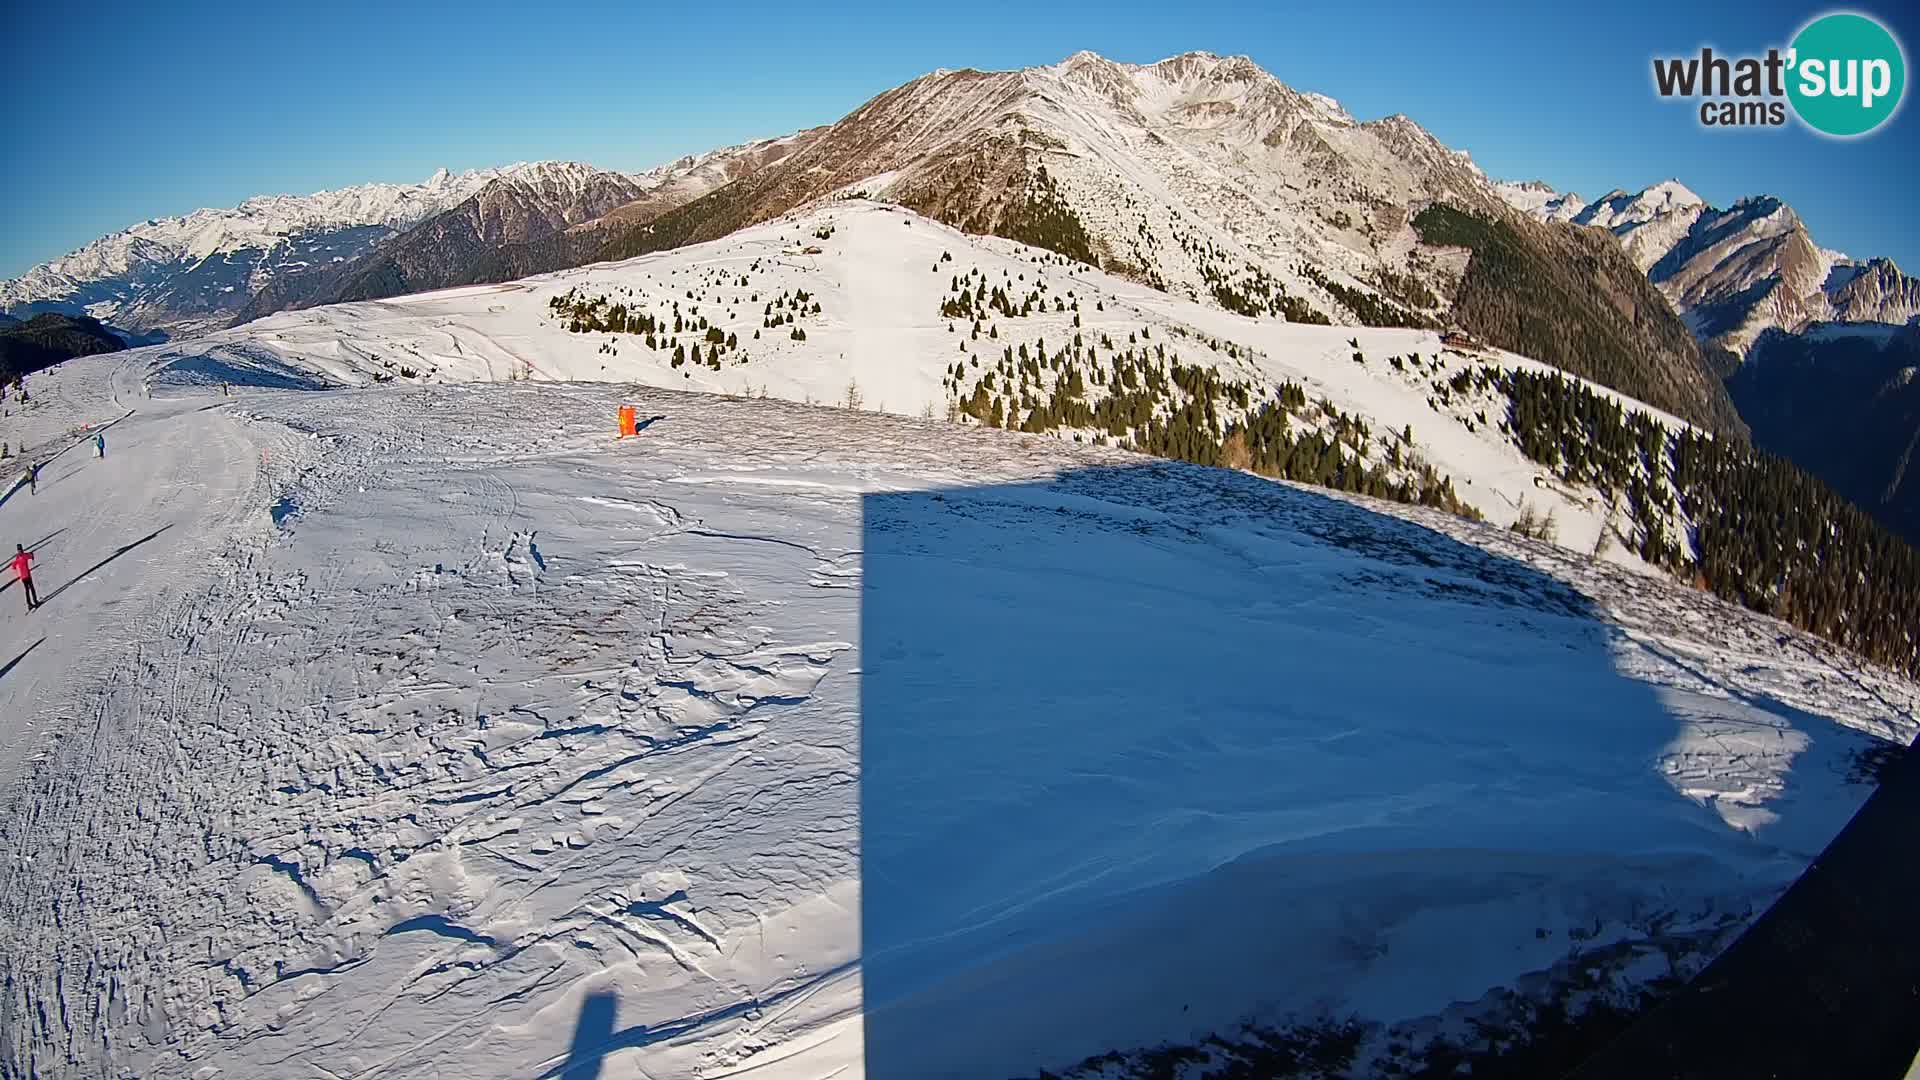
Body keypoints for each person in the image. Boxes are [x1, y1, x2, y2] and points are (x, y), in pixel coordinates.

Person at [11, 544, 36, 612]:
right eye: (20, 550)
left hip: (23, 577)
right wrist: (31, 554)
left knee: (27, 590)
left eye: (20, 550)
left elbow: (13, 565)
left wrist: (14, 567)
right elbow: (30, 556)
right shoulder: (24, 556)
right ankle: (35, 602)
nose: (20, 551)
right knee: (32, 589)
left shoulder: (17, 557)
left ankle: (29, 604)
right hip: (27, 575)